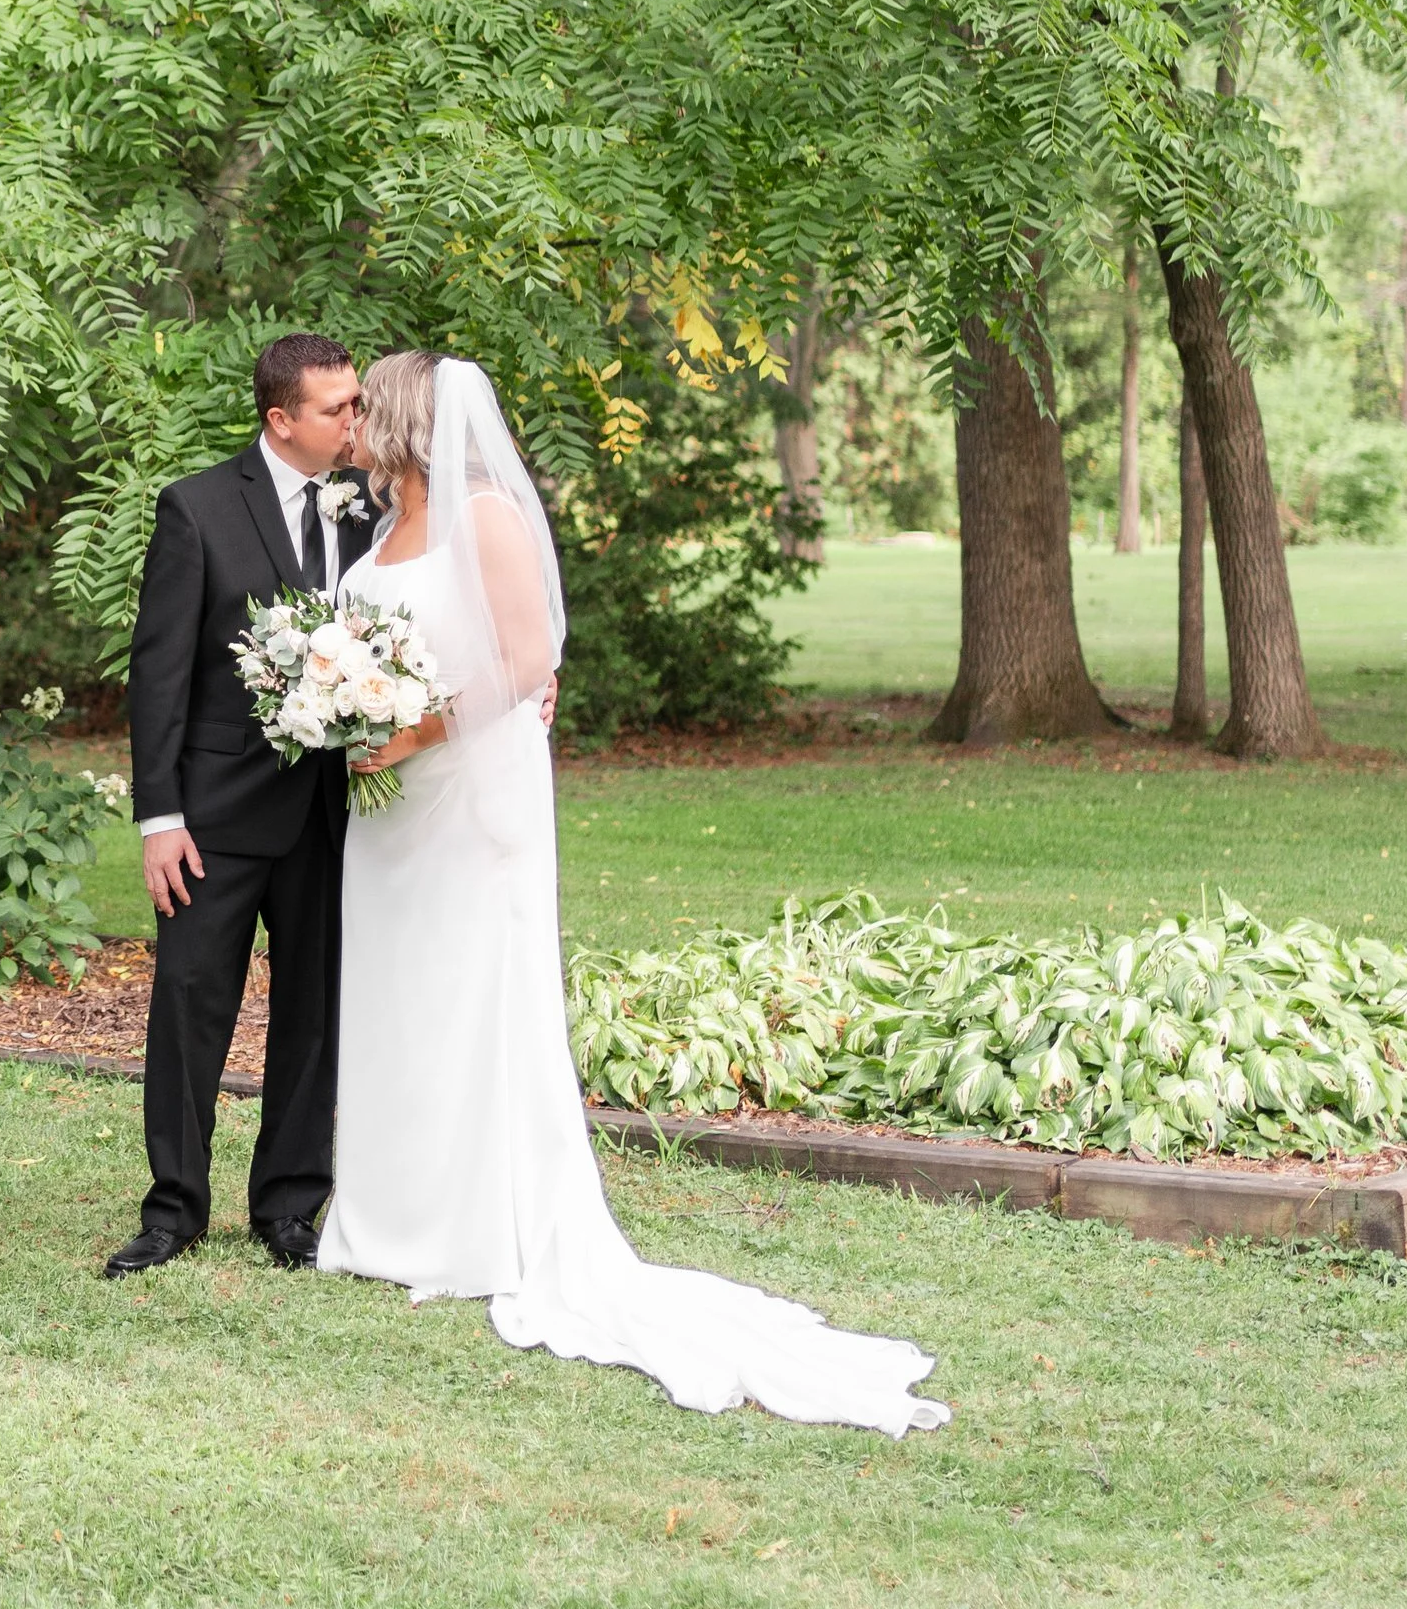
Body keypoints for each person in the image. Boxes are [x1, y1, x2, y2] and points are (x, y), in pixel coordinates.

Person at [317, 349, 951, 1435]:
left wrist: (410, 728)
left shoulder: (488, 515)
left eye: (369, 403)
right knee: (398, 996)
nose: (355, 419)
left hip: (466, 795)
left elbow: (527, 656)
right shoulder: (374, 531)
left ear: (413, 418)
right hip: (388, 813)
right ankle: (386, 1217)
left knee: (471, 993)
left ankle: (475, 1229)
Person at [103, 332, 376, 1278]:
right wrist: (159, 819)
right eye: (339, 408)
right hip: (213, 818)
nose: (356, 421)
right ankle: (172, 1210)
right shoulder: (199, 508)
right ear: (281, 419)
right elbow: (158, 675)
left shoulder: (369, 508)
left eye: (357, 404)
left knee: (314, 1015)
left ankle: (291, 1208)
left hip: (332, 818)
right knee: (189, 1007)